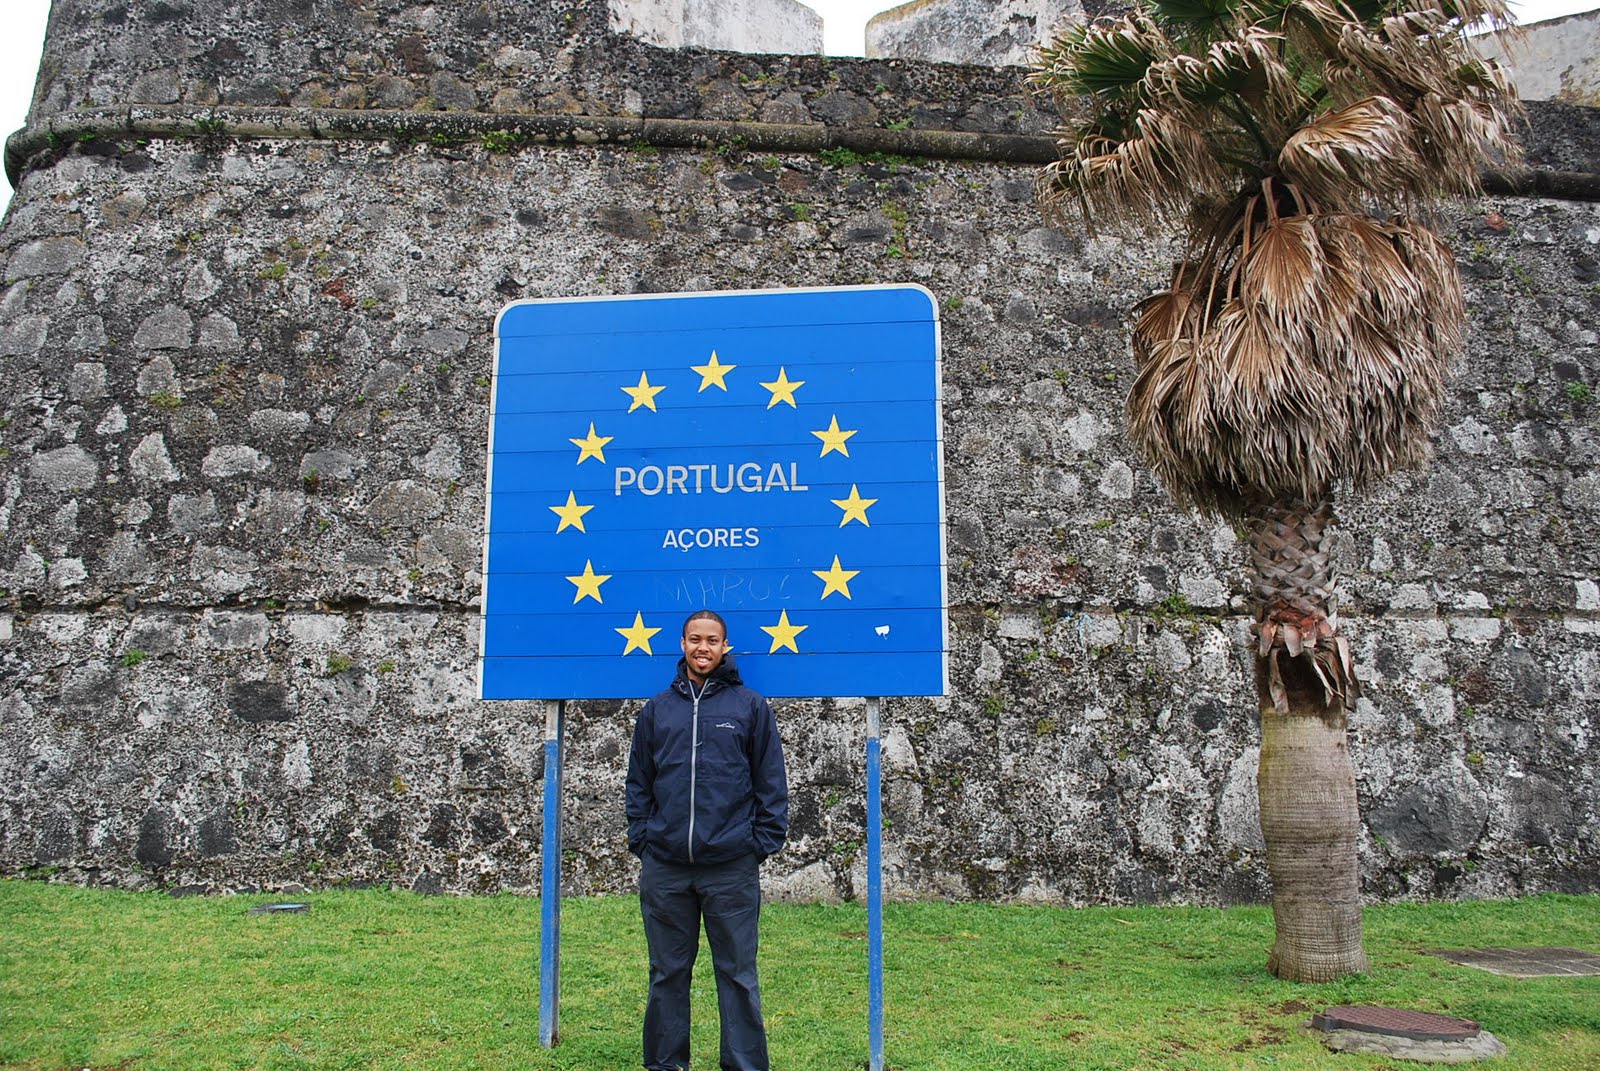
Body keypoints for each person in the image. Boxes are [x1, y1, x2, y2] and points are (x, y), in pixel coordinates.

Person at [625, 609, 789, 1071]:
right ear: (682, 644)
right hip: (666, 867)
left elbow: (770, 783)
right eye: (695, 639)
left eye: (712, 640)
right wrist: (643, 838)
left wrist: (759, 844)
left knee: (737, 975)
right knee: (667, 974)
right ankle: (665, 1064)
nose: (703, 648)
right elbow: (638, 782)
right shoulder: (657, 710)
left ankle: (744, 1065)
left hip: (731, 867)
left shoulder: (750, 707)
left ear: (724, 647)